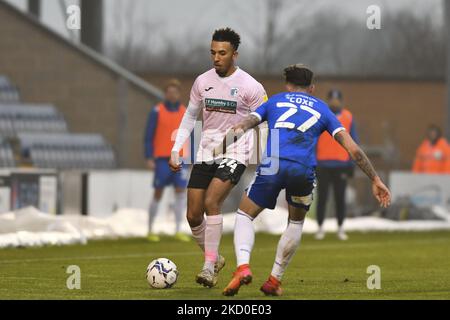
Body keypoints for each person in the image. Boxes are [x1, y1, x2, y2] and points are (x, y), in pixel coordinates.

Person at [221, 64, 391, 297]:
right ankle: (273, 280)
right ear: (312, 88)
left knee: (244, 215)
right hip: (303, 170)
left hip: (273, 164)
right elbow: (354, 150)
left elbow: (243, 126)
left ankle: (242, 268)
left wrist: (219, 146)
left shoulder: (275, 101)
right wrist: (375, 178)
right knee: (296, 222)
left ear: (287, 85)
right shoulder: (323, 109)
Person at [169, 28, 268, 288]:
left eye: (222, 53)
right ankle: (214, 258)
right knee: (193, 215)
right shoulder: (202, 81)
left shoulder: (251, 86)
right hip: (206, 152)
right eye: (213, 52)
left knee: (212, 201)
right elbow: (190, 116)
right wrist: (176, 147)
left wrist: (266, 157)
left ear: (234, 54)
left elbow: (264, 123)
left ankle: (208, 267)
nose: (216, 58)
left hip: (236, 152)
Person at [144, 79, 191, 243]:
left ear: (179, 94)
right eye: (169, 92)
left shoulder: (186, 111)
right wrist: (149, 156)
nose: (172, 95)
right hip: (162, 158)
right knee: (158, 192)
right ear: (165, 94)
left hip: (181, 158)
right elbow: (148, 136)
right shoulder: (156, 111)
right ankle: (150, 229)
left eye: (175, 92)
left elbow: (190, 135)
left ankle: (178, 229)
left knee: (180, 192)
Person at [315, 89, 359, 241]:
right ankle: (320, 227)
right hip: (323, 163)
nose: (334, 102)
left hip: (341, 164)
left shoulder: (348, 117)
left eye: (337, 99)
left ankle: (340, 227)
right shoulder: (321, 115)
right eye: (332, 99)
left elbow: (354, 141)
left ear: (341, 101)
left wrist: (352, 164)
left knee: (340, 198)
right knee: (322, 197)